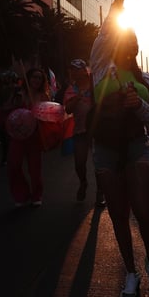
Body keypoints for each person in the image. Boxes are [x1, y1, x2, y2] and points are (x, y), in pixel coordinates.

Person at [90, 0, 149, 297]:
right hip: (105, 147)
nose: (126, 44)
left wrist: (141, 105)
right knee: (118, 213)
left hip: (136, 144)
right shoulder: (101, 69)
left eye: (132, 42)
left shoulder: (146, 79)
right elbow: (107, 29)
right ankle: (130, 271)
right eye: (123, 40)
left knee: (144, 211)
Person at [3, 67, 50, 207]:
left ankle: (36, 194)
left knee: (35, 169)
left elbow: (48, 117)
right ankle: (21, 194)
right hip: (18, 135)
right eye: (34, 77)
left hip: (35, 136)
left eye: (39, 78)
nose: (36, 80)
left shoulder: (44, 96)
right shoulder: (19, 94)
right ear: (28, 79)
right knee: (14, 165)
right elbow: (7, 109)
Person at [63, 59, 105, 206]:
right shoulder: (71, 89)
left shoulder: (95, 83)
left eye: (76, 70)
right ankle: (83, 182)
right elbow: (67, 109)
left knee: (99, 163)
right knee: (79, 163)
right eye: (71, 70)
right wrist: (77, 98)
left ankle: (100, 193)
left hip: (97, 130)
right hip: (80, 130)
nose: (73, 73)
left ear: (83, 70)